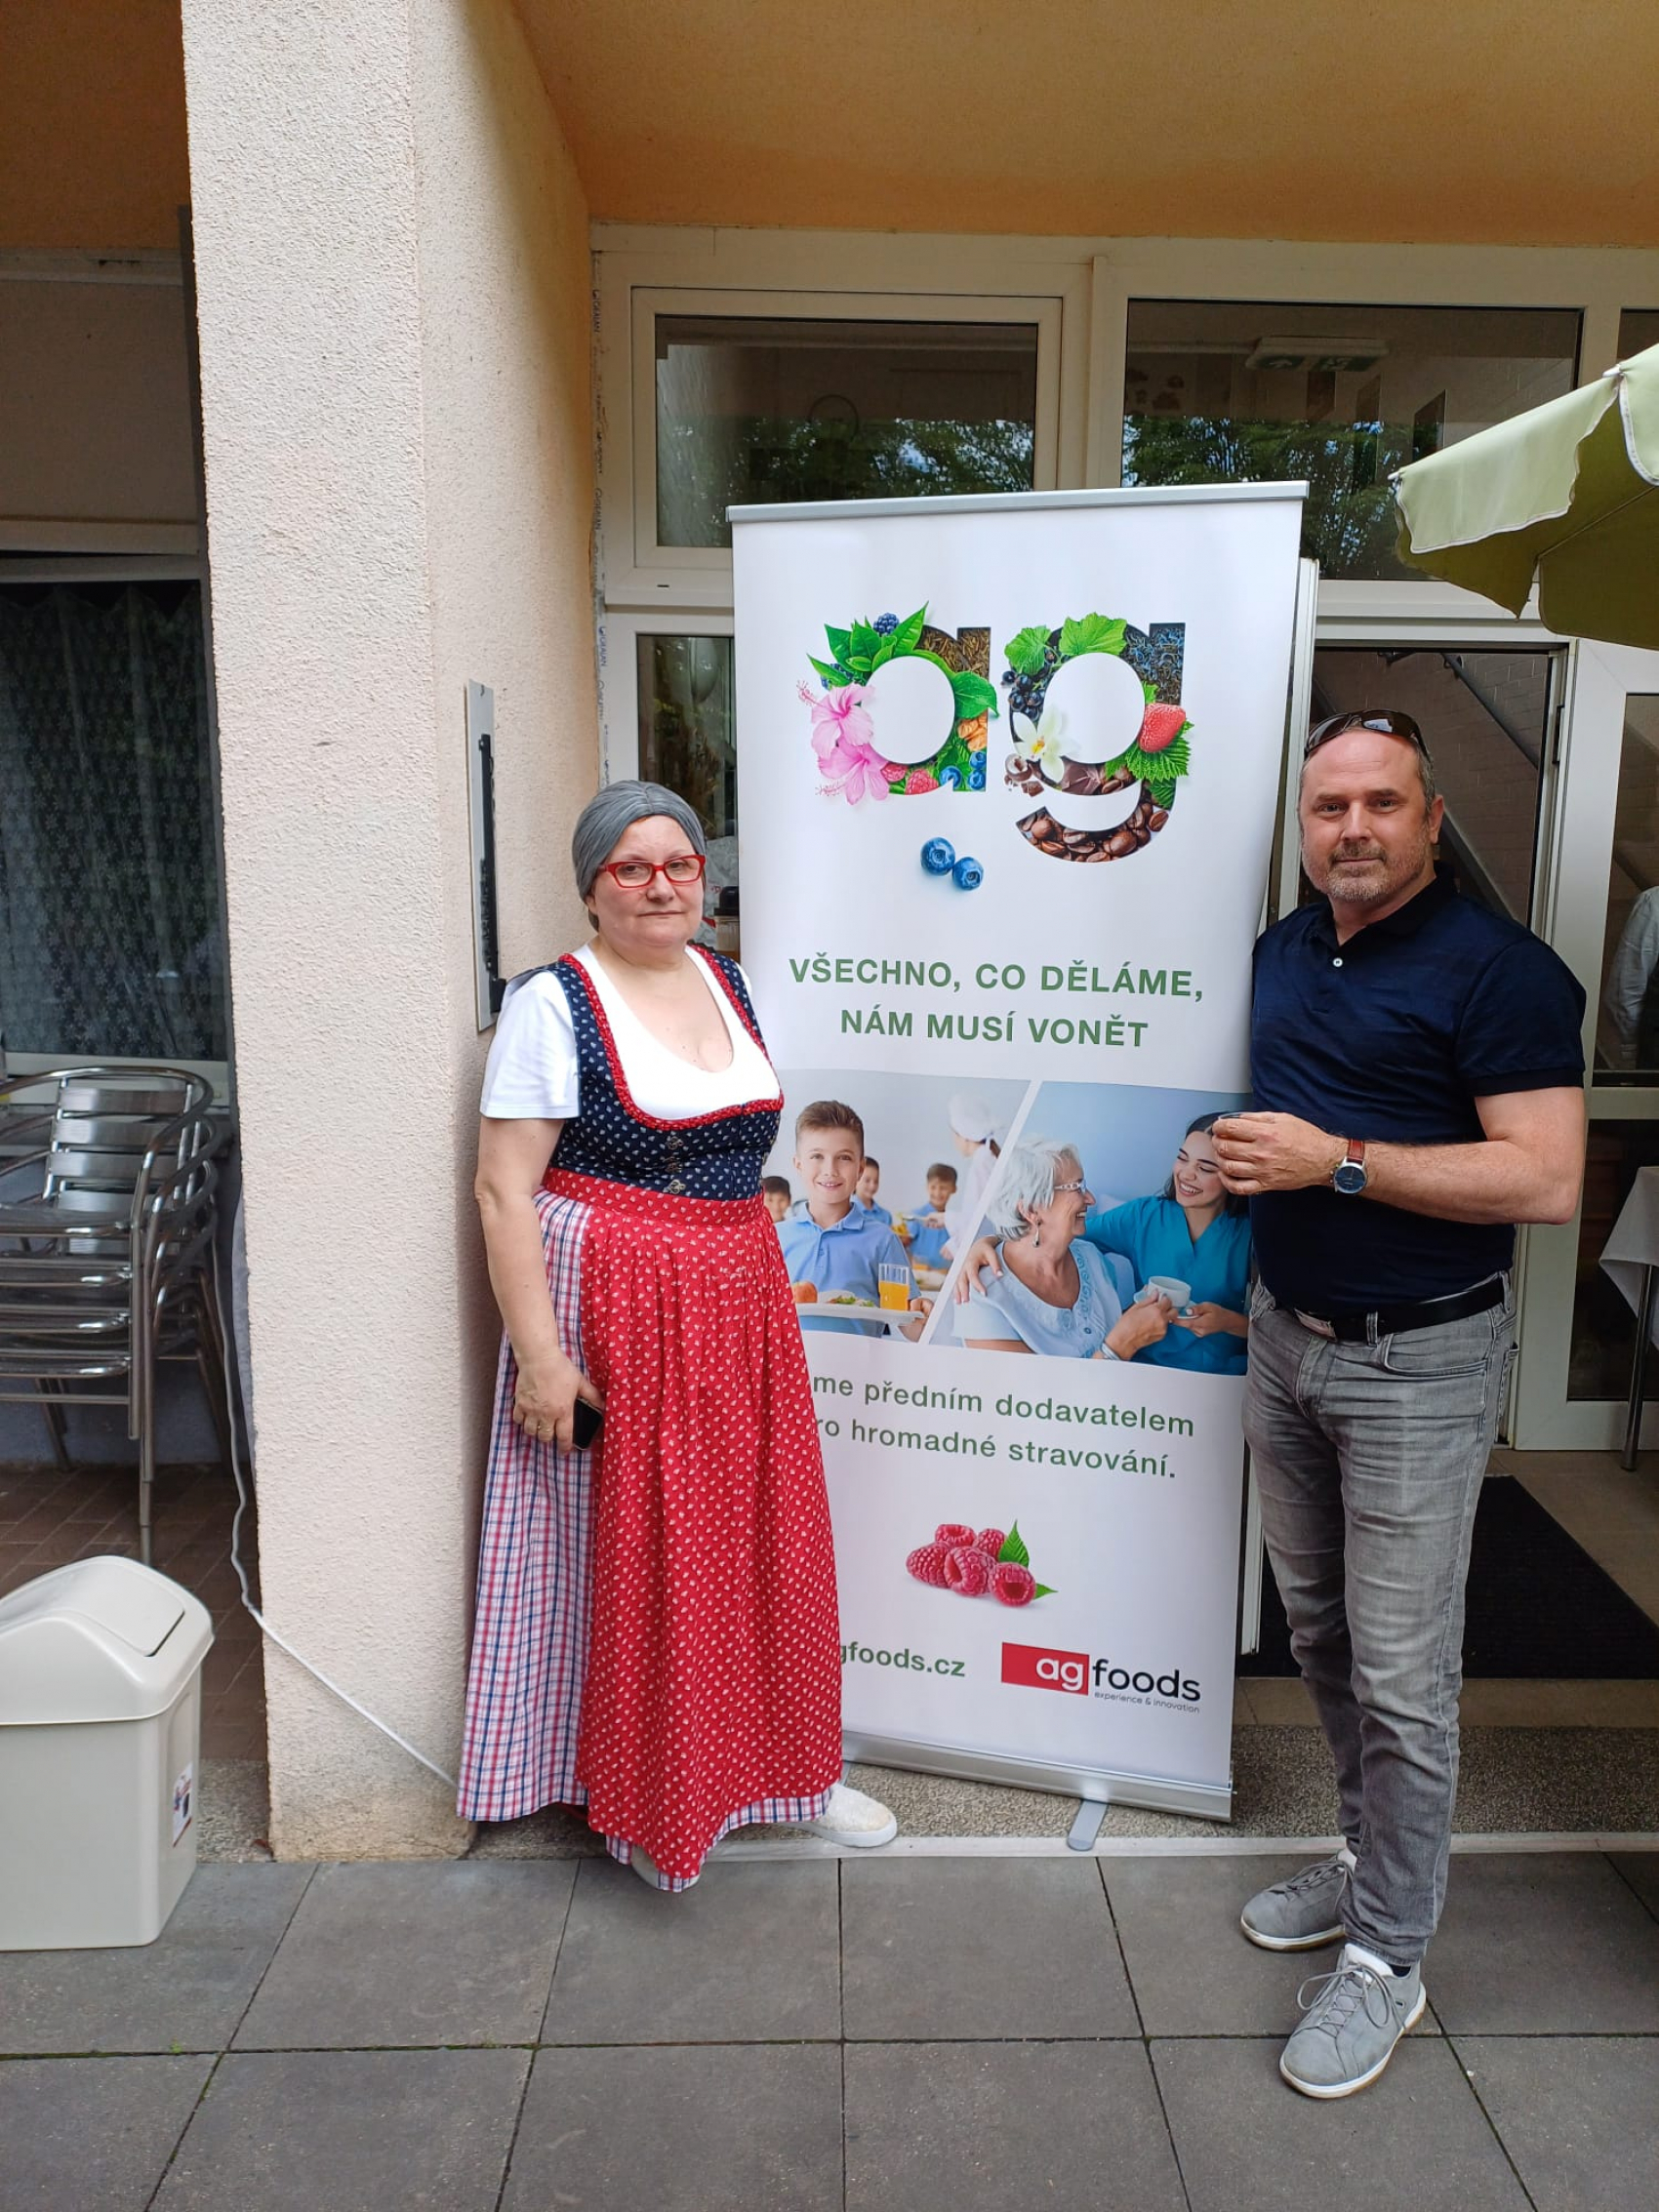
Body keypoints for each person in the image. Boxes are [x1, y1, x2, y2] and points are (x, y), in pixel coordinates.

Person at [1211, 709, 1586, 2099]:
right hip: (1285, 1341)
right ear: (1303, 826)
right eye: (1329, 806)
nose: (1353, 826)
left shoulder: (1502, 972)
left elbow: (1544, 1177)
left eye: (1381, 801)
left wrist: (1338, 1161)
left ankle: (1387, 1957)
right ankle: (1371, 1855)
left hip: (1418, 1363)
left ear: (1431, 818)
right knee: (1317, 1630)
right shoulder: (1282, 950)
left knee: (1403, 1675)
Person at [459, 782, 896, 1888]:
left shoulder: (724, 977)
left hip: (737, 1305)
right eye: (631, 866)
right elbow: (504, 1190)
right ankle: (657, 1803)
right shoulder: (552, 1003)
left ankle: (789, 1776)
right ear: (591, 886)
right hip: (618, 1307)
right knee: (649, 1556)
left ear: (704, 877)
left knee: (757, 1540)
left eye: (680, 864)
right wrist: (544, 1360)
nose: (660, 885)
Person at [956, 1112, 1252, 1376]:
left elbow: (1060, 1236)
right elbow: (1048, 1236)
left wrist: (1229, 1322)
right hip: (1145, 1373)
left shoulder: (1089, 1260)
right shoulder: (1144, 1218)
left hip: (1220, 1378)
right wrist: (987, 1242)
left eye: (1206, 1168)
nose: (1186, 1174)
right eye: (1182, 1158)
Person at [952, 1136, 1176, 1360]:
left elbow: (1105, 1334)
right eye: (1077, 1188)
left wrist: (1141, 1318)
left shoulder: (1091, 1258)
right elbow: (1035, 1386)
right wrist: (1123, 1344)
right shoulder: (980, 1295)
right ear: (1031, 1210)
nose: (1090, 1199)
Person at [778, 1102, 923, 1338]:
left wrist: (921, 1316)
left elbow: (911, 1328)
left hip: (859, 1362)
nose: (830, 1170)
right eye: (817, 1156)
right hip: (789, 1361)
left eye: (844, 1158)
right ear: (799, 1165)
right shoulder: (774, 1237)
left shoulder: (882, 1240)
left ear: (860, 1168)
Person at [942, 1094, 1002, 1258]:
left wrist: (955, 1245)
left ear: (964, 1135)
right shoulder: (987, 1157)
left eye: (954, 1134)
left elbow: (976, 1217)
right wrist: (945, 1218)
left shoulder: (981, 1163)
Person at [898, 1160, 956, 1270]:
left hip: (944, 1276)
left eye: (943, 1188)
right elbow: (903, 1244)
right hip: (919, 1274)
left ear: (953, 1189)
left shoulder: (953, 1222)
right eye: (933, 1187)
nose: (937, 1193)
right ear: (927, 1187)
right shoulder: (916, 1217)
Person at [854, 1155, 891, 1224]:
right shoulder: (846, 1212)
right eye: (867, 1180)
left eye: (876, 1181)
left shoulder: (886, 1216)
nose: (872, 1186)